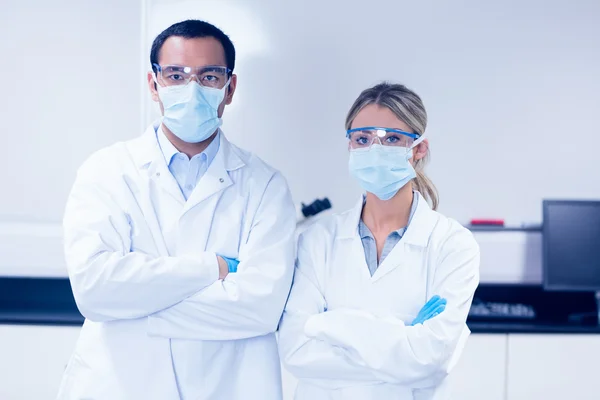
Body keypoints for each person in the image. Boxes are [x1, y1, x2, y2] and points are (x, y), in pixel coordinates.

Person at [57, 20, 296, 400]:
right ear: (154, 85)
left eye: (209, 76)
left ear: (229, 88)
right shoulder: (106, 171)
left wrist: (136, 308)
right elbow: (95, 291)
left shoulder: (265, 186)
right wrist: (212, 268)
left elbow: (260, 307)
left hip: (225, 386)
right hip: (117, 385)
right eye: (175, 75)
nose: (192, 89)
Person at [278, 82, 480, 399]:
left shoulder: (453, 245)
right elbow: (296, 350)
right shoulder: (318, 239)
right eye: (363, 139)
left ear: (418, 149)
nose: (375, 150)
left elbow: (431, 361)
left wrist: (330, 326)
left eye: (392, 140)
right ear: (350, 145)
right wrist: (401, 337)